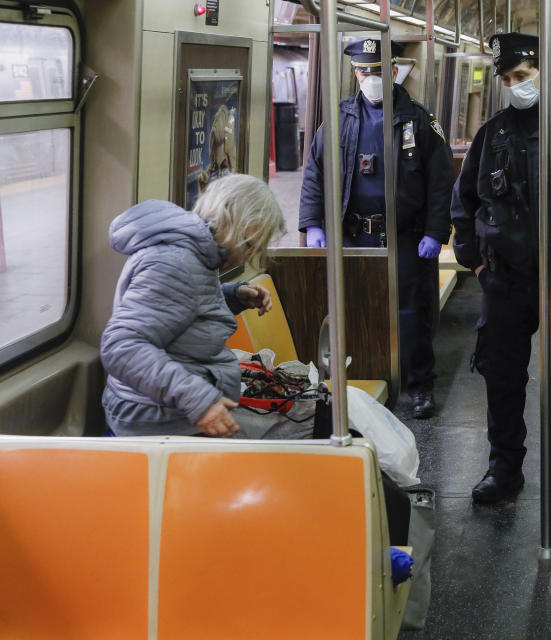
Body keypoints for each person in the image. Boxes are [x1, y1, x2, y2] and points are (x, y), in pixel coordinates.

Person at [451, 33, 551, 513]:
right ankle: (504, 467)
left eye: (522, 76)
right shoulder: (493, 133)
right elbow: (466, 201)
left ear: (544, 71)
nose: (514, 86)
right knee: (502, 379)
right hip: (507, 280)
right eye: (506, 79)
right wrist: (473, 258)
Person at [299, 38, 454, 419]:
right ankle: (359, 379)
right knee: (354, 308)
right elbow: (315, 174)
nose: (370, 78)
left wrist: (436, 232)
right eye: (364, 71)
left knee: (410, 313)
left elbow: (440, 183)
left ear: (393, 71)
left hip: (405, 236)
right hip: (353, 235)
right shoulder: (338, 119)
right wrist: (313, 223)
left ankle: (419, 386)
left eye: (378, 71)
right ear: (355, 73)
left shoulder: (419, 119)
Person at [100, 174, 286, 437]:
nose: (249, 255)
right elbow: (122, 346)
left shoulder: (195, 253)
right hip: (158, 418)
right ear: (231, 220)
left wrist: (235, 295)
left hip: (172, 407)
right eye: (250, 244)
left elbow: (180, 309)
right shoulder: (176, 263)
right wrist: (199, 401)